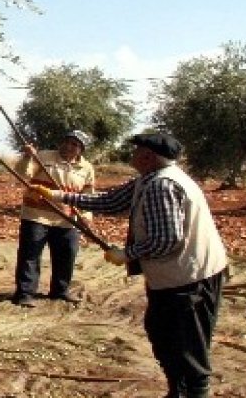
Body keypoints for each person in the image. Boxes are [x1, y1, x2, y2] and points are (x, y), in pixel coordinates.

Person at [30, 132, 229, 398]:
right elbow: (109, 201)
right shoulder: (148, 180)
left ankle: (194, 393)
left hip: (188, 280)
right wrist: (57, 196)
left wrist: (127, 254)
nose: (132, 155)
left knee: (186, 346)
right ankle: (177, 391)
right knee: (161, 333)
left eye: (136, 151)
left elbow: (167, 240)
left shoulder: (162, 186)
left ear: (148, 156)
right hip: (176, 277)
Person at [12, 130, 96, 307]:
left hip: (66, 219)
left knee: (67, 255)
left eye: (75, 144)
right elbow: (22, 174)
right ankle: (25, 293)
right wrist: (28, 157)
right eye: (67, 141)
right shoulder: (42, 156)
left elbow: (88, 195)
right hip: (36, 215)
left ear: (81, 150)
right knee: (30, 254)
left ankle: (60, 291)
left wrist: (86, 216)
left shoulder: (87, 169)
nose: (69, 146)